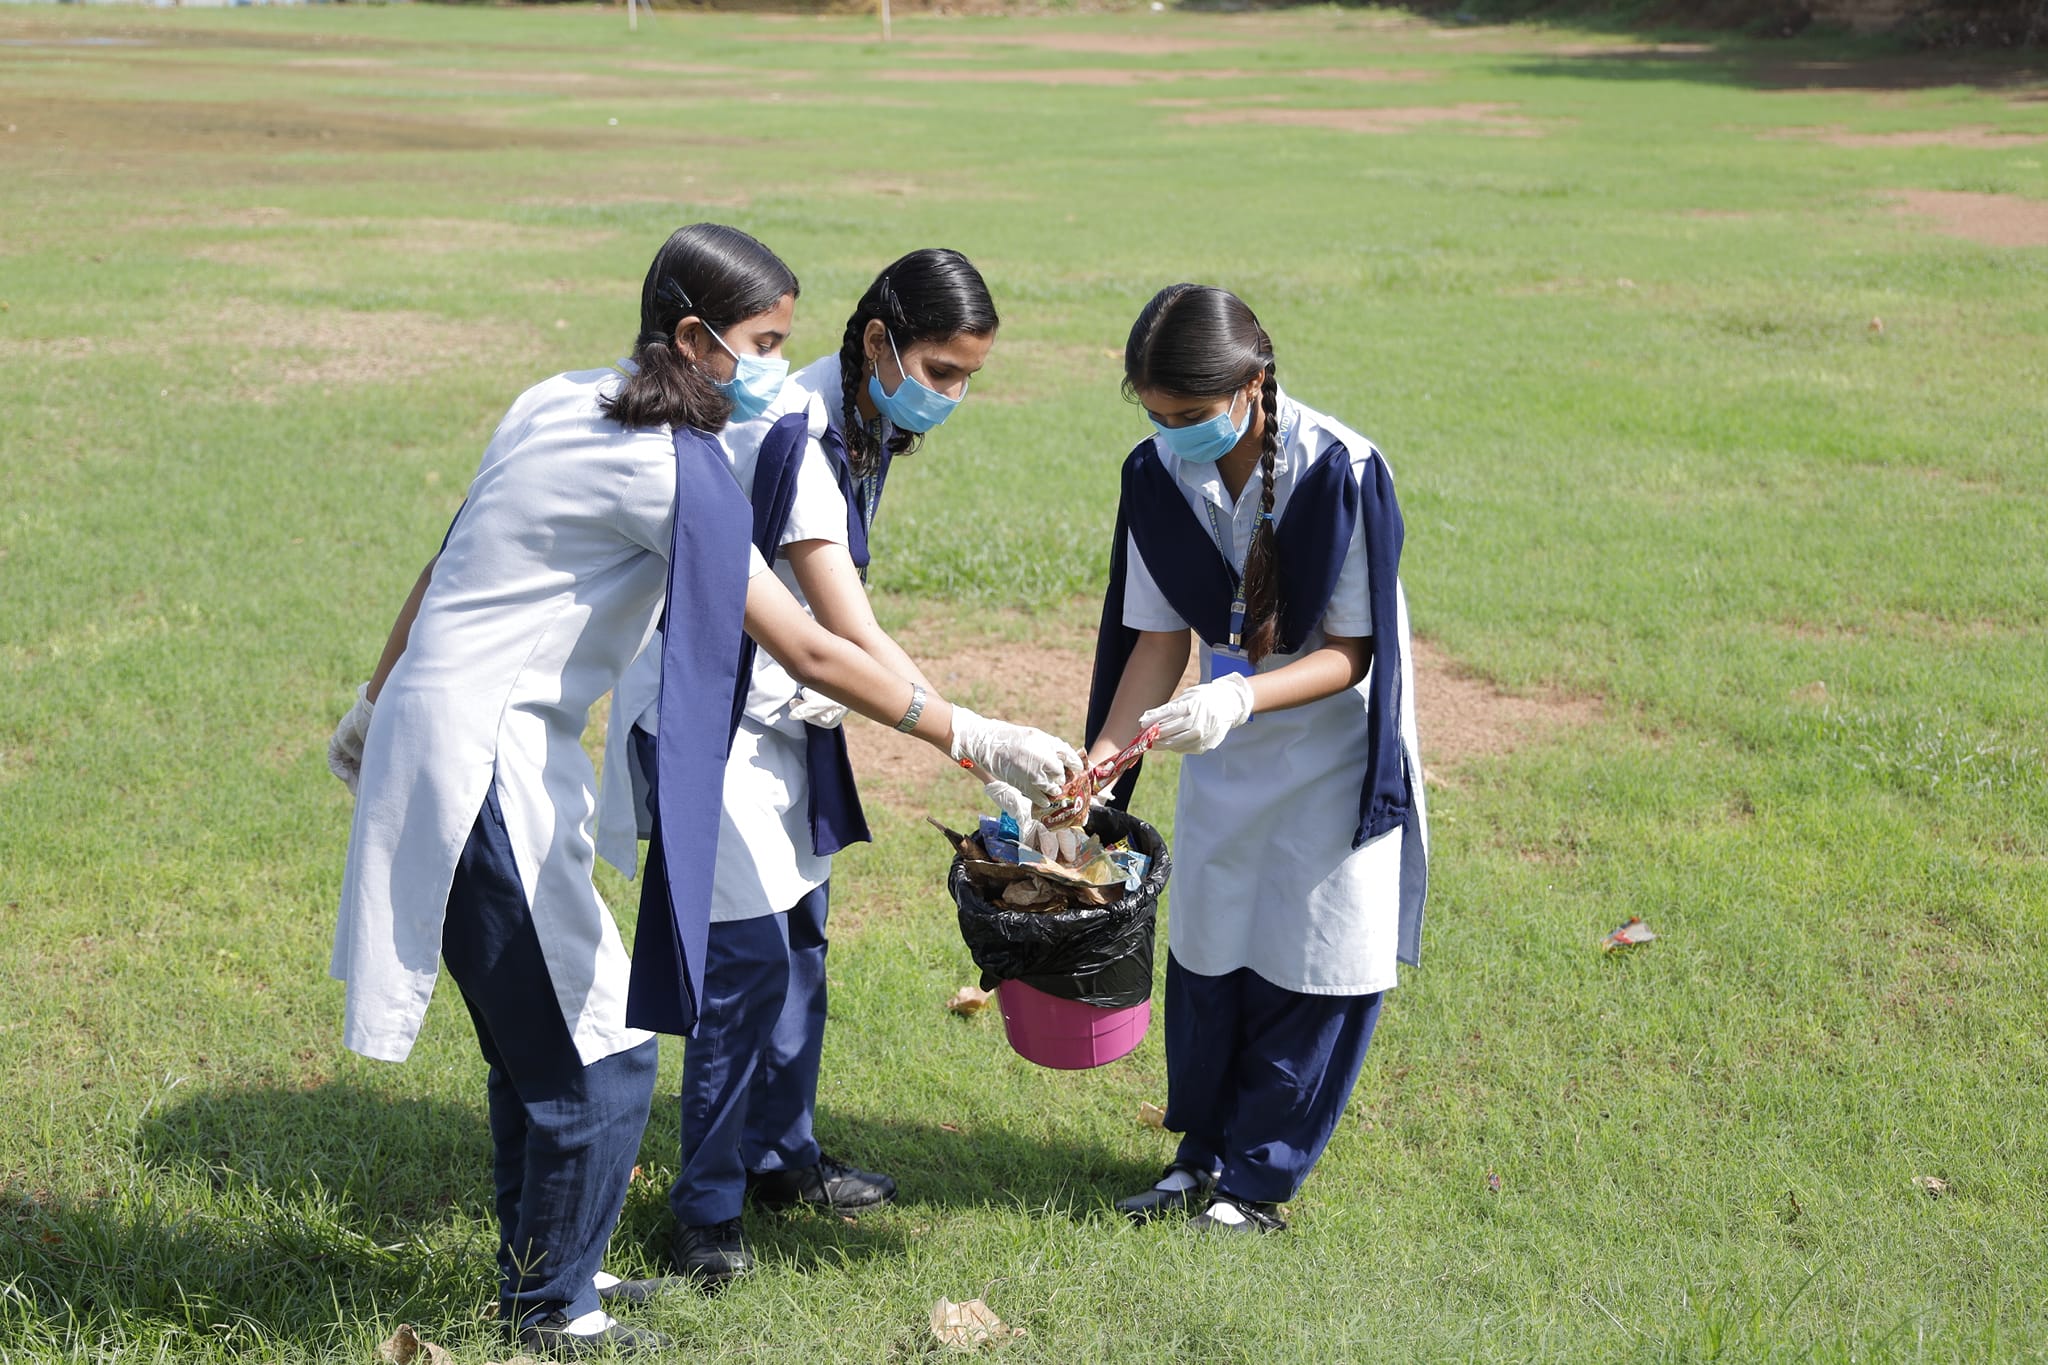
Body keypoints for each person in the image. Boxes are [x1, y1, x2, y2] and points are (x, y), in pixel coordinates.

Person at [326, 224, 1078, 1359]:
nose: (778, 365)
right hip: (479, 762)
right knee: (600, 1056)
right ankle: (550, 1316)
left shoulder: (555, 396)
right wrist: (970, 735)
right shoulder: (669, 464)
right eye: (763, 342)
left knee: (539, 1047)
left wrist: (373, 703)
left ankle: (550, 1275)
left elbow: (444, 563)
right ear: (692, 337)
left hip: (465, 742)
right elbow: (816, 650)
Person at [594, 247, 1003, 1287]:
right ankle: (705, 1214)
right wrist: (969, 738)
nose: (950, 396)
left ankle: (782, 1158)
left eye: (965, 378)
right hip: (713, 715)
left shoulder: (860, 423)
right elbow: (840, 626)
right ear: (877, 343)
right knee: (741, 970)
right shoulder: (794, 428)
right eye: (939, 370)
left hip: (785, 713)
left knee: (801, 947)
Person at [1082, 283, 1428, 1234]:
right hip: (1218, 745)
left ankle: (1258, 1181)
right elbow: (1153, 641)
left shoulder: (1341, 470)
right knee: (1212, 946)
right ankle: (1199, 1158)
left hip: (1326, 747)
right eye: (1155, 415)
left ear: (1254, 384)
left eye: (1190, 417)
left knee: (1307, 957)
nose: (1172, 434)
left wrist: (1236, 693)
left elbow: (1350, 653)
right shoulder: (1155, 475)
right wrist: (1103, 762)